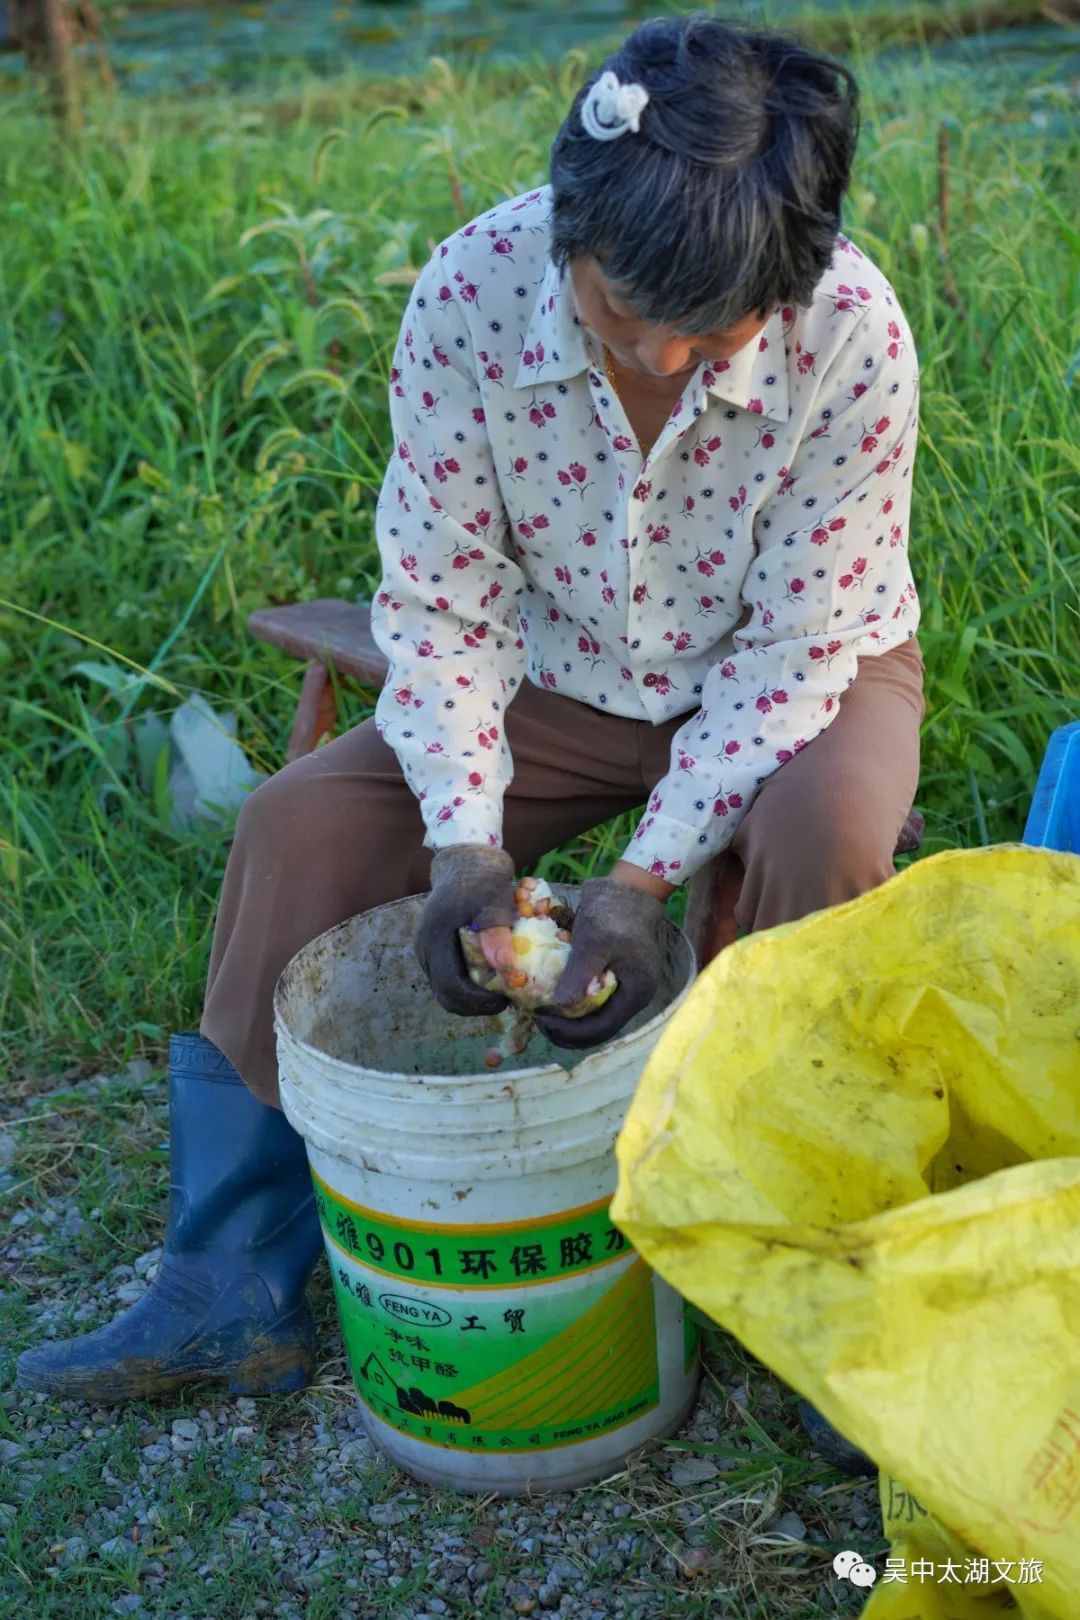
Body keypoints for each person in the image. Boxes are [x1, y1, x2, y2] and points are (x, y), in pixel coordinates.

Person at [17, 14, 923, 1459]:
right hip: (553, 668)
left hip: (798, 673)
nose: (670, 354)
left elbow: (800, 646)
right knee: (297, 825)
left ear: (791, 283)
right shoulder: (470, 292)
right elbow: (439, 605)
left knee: (828, 842)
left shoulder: (855, 334)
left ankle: (815, 1279)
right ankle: (229, 1278)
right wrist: (460, 847)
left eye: (720, 330)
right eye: (629, 309)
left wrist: (643, 885)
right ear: (570, 225)